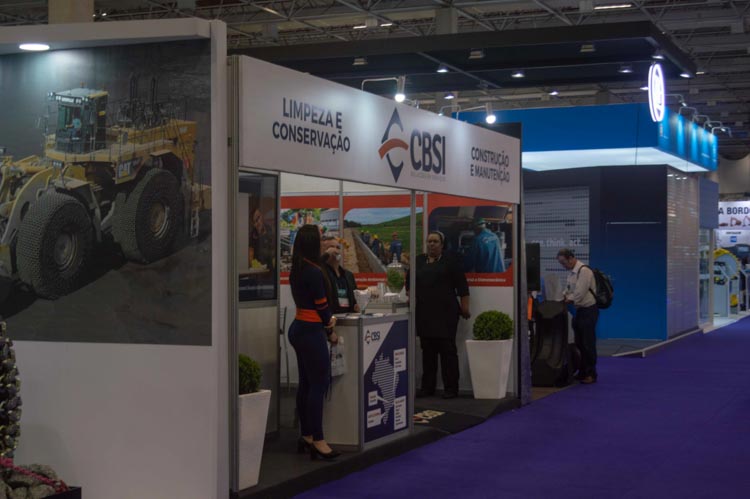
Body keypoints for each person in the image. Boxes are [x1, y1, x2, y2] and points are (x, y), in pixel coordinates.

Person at [288, 225, 340, 460]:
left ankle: (307, 435)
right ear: (312, 243)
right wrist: (330, 329)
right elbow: (322, 306)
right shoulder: (314, 272)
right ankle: (318, 439)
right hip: (311, 331)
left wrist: (327, 255)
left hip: (298, 327)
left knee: (306, 384)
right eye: (320, 239)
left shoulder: (298, 268)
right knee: (319, 383)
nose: (323, 242)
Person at [411, 231, 470, 399]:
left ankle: (451, 388)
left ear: (442, 244)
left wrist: (465, 308)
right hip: (424, 313)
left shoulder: (451, 262)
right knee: (427, 352)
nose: (431, 244)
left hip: (446, 314)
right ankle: (427, 388)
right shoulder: (419, 261)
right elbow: (410, 284)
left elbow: (463, 287)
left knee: (447, 351)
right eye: (429, 241)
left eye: (435, 241)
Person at [557, 248, 599, 384]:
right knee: (579, 343)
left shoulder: (584, 271)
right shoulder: (571, 273)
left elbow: (579, 294)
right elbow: (568, 290)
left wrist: (568, 299)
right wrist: (563, 296)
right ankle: (582, 372)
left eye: (564, 262)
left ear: (571, 258)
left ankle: (591, 374)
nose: (563, 266)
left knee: (588, 343)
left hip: (588, 311)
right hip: (579, 311)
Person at [322, 236, 360, 314]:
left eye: (338, 247)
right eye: (331, 247)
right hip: (330, 317)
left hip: (347, 317)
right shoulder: (320, 273)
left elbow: (355, 299)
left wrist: (356, 306)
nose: (335, 250)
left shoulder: (348, 275)